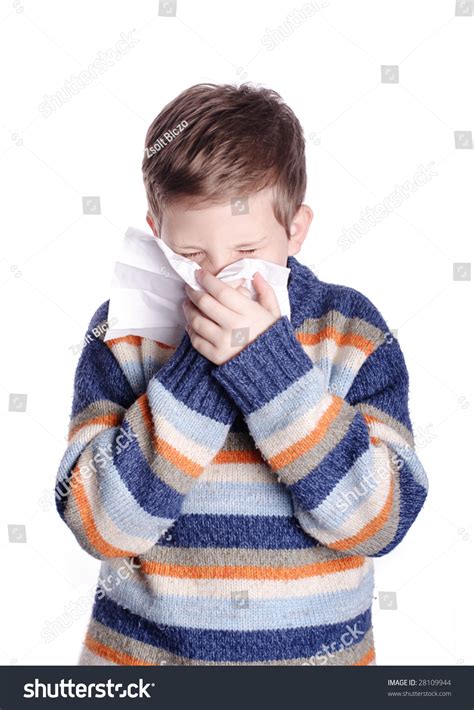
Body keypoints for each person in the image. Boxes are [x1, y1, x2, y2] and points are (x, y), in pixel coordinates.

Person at [55, 82, 428, 666]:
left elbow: (381, 520)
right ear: (157, 233)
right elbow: (99, 525)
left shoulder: (350, 330)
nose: (219, 279)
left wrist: (268, 371)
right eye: (193, 257)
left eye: (246, 250)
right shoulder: (125, 332)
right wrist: (201, 366)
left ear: (295, 229)